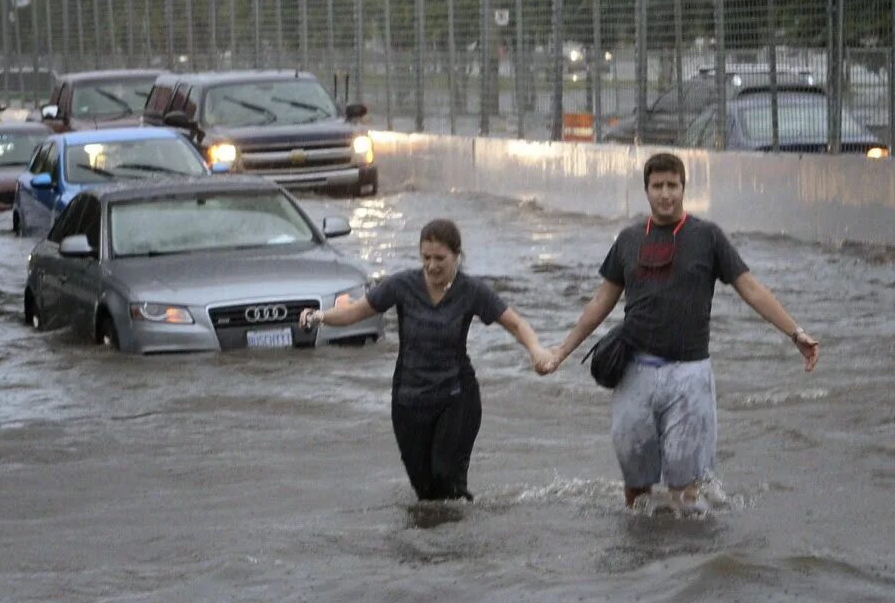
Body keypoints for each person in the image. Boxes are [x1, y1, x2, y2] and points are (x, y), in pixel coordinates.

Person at [546, 152, 819, 512]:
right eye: (657, 186)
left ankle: (685, 559)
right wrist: (560, 352)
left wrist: (795, 332)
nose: (665, 194)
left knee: (684, 491)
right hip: (634, 374)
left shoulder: (707, 237)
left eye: (672, 185)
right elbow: (600, 303)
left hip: (690, 376)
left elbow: (750, 288)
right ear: (646, 190)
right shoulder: (628, 240)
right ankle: (642, 557)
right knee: (636, 484)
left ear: (683, 188)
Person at [299, 218, 551, 502]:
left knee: (447, 479)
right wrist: (319, 316)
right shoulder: (402, 285)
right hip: (408, 398)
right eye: (426, 257)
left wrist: (537, 351)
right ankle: (430, 543)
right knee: (424, 491)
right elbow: (356, 311)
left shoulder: (471, 291)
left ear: (457, 255)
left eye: (440, 258)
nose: (432, 266)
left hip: (456, 397)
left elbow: (516, 324)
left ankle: (458, 541)